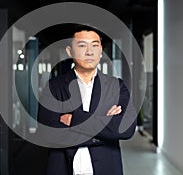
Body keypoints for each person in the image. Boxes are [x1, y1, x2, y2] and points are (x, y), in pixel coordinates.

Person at [37, 25, 137, 175]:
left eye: (95, 45)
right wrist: (105, 131)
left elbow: (126, 129)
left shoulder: (116, 86)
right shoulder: (54, 86)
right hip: (63, 168)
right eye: (82, 45)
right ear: (70, 51)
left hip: (106, 169)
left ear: (101, 51)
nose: (90, 51)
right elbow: (47, 134)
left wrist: (75, 119)